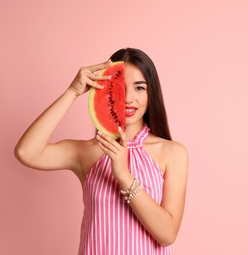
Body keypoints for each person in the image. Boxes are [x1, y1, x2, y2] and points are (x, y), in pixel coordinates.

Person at [14, 48, 188, 254]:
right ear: (106, 91)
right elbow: (26, 152)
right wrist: (73, 92)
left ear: (152, 93)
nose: (129, 98)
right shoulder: (86, 152)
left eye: (140, 88)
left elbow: (167, 234)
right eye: (120, 88)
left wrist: (124, 176)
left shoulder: (172, 153)